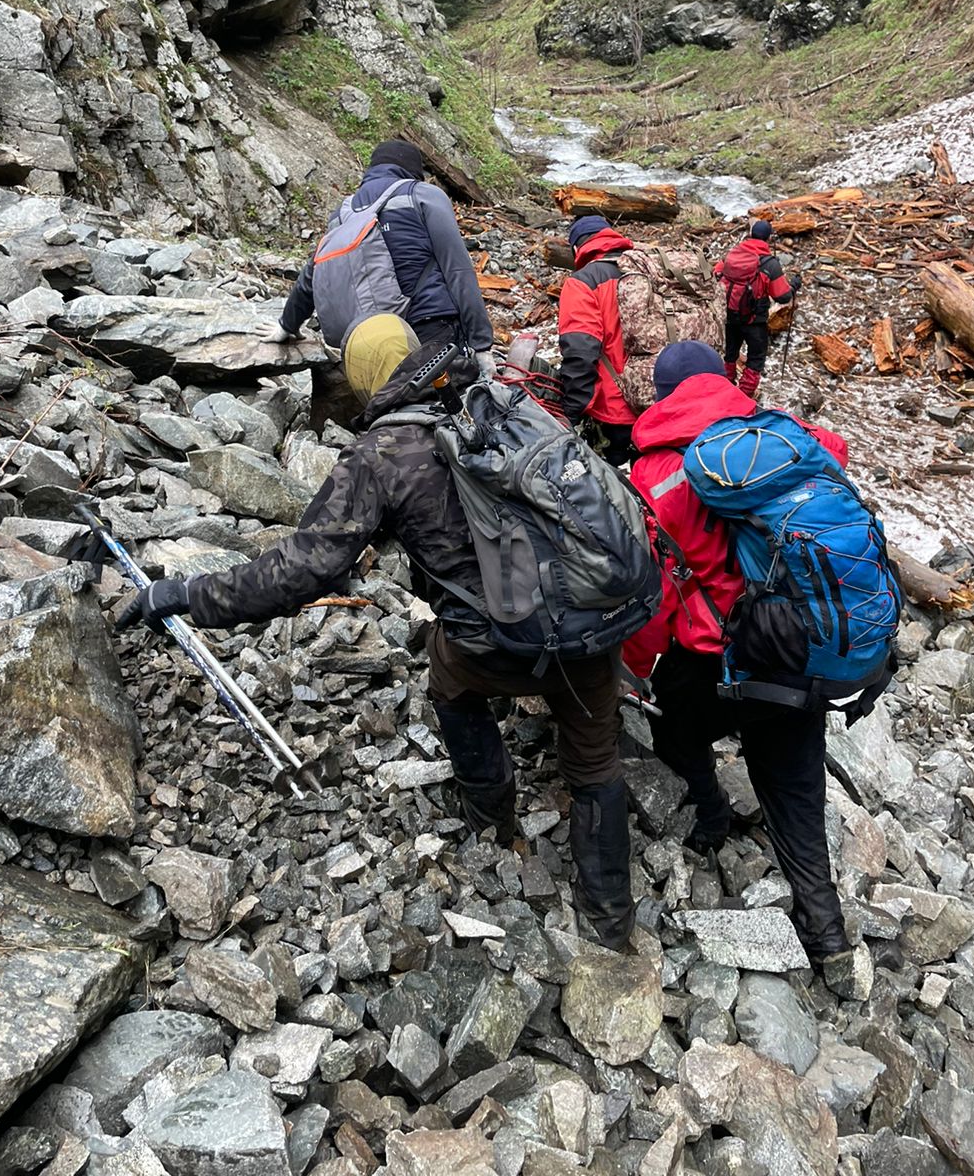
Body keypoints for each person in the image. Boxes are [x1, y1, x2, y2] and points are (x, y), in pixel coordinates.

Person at [117, 315, 637, 951]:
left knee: (451, 686)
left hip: (496, 643)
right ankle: (611, 921)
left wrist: (186, 594)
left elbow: (301, 571)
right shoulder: (500, 400)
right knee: (594, 760)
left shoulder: (379, 456)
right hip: (592, 616)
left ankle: (491, 816)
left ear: (366, 379)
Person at [622, 339, 854, 974]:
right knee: (796, 787)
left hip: (716, 662)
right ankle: (825, 930)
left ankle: (709, 816)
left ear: (665, 397)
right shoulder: (782, 439)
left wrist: (637, 666)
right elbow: (838, 452)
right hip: (796, 648)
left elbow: (658, 592)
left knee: (673, 727)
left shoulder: (657, 474)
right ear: (720, 382)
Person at [265, 138, 496, 374]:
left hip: (369, 344)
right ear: (413, 172)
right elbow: (457, 270)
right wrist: (482, 345)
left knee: (389, 405)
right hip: (429, 331)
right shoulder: (422, 195)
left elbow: (310, 276)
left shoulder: (343, 214)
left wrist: (287, 325)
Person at [558, 214, 638, 464]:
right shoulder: (646, 269)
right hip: (666, 398)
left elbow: (581, 353)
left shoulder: (583, 282)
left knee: (619, 484)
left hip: (618, 409)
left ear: (575, 248)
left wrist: (571, 414)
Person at [714, 219, 800, 398]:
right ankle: (744, 395)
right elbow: (782, 296)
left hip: (729, 315)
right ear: (768, 239)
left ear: (751, 234)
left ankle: (725, 388)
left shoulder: (733, 255)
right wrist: (794, 286)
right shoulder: (770, 265)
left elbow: (716, 274)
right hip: (754, 321)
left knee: (729, 353)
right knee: (756, 359)